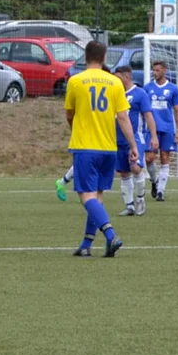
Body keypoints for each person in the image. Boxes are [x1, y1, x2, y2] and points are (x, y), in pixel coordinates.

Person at [65, 41, 138, 256]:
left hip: (86, 147)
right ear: (104, 57)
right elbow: (123, 117)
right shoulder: (115, 82)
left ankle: (110, 235)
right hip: (109, 148)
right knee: (97, 196)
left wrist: (76, 129)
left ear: (85, 57)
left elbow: (70, 114)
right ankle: (87, 246)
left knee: (85, 196)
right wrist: (133, 145)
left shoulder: (76, 81)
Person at [143, 60, 178, 200]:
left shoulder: (173, 89)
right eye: (154, 70)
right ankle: (155, 181)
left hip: (167, 128)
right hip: (150, 129)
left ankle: (161, 191)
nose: (155, 73)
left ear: (164, 70)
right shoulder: (147, 88)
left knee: (165, 157)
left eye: (157, 70)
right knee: (149, 158)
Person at [117, 75, 157, 216]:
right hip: (118, 139)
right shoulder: (115, 92)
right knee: (124, 172)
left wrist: (153, 136)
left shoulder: (139, 93)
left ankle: (140, 200)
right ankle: (129, 206)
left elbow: (148, 116)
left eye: (117, 77)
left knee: (135, 167)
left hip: (136, 137)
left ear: (125, 76)